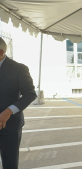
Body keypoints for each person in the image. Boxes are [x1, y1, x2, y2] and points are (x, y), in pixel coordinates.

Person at [0, 37, 37, 169]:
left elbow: (30, 94)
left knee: (9, 164)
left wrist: (8, 112)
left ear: (0, 52)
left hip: (9, 127)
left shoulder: (18, 69)